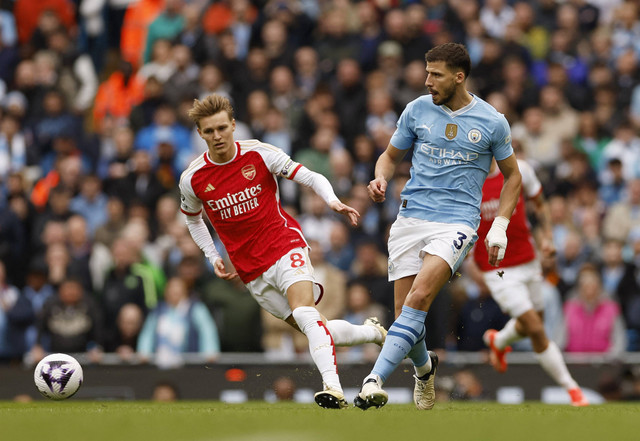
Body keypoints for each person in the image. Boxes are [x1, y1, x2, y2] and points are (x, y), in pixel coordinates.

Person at [179, 94, 387, 409]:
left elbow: (310, 176)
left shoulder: (260, 154)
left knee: (304, 313)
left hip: (283, 243)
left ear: (233, 125)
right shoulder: (193, 178)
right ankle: (372, 333)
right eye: (209, 131)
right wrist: (212, 255)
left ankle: (333, 387)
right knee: (316, 327)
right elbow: (194, 220)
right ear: (200, 134)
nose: (217, 136)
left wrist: (331, 200)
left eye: (222, 128)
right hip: (251, 270)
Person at [356, 43, 522, 411]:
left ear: (459, 77)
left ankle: (373, 380)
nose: (427, 80)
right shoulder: (416, 110)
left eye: (436, 75)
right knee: (405, 319)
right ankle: (425, 368)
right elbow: (389, 156)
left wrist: (501, 226)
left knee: (419, 300)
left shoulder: (492, 121)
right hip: (411, 217)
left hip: (457, 222)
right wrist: (380, 178)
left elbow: (513, 177)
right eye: (427, 73)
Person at [470, 158, 588, 406]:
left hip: (527, 260)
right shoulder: (467, 179)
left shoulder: (519, 169)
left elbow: (539, 202)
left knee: (534, 324)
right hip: (496, 270)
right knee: (536, 328)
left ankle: (499, 340)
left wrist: (546, 236)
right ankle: (573, 390)